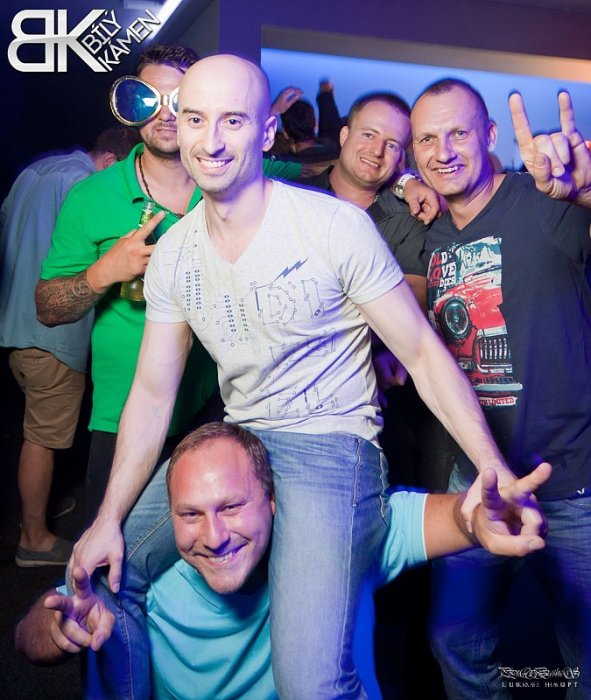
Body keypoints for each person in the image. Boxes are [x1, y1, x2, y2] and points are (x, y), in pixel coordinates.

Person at [70, 55, 541, 699]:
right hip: (241, 441)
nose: (211, 141)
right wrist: (106, 517)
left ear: (266, 131)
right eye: (197, 120)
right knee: (103, 575)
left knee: (311, 684)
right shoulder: (175, 252)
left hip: (331, 445)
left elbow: (423, 354)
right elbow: (153, 395)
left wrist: (491, 465)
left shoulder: (332, 226)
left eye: (233, 121)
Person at [15, 423, 550, 699]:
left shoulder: (324, 543)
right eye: (191, 514)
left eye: (231, 507)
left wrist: (474, 520)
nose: (214, 537)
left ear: (273, 500)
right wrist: (57, 629)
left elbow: (442, 518)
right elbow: (27, 638)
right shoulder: (138, 567)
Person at [35, 45, 301, 521]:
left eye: (179, 101)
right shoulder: (91, 196)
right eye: (146, 98)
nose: (164, 113)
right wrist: (106, 270)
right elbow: (48, 308)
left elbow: (335, 174)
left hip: (223, 410)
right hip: (126, 416)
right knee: (115, 549)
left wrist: (407, 182)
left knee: (220, 544)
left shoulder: (236, 175)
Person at [410, 80, 591, 699]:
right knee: (456, 642)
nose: (442, 152)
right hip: (479, 483)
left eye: (458, 133)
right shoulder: (430, 234)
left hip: (573, 483)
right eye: (427, 139)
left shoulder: (547, 202)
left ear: (489, 135)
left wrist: (587, 194)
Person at [0, 126, 139, 566]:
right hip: (52, 334)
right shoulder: (86, 186)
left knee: (37, 428)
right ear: (111, 161)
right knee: (41, 439)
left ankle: (37, 505)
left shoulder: (34, 171)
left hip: (12, 324)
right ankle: (34, 539)